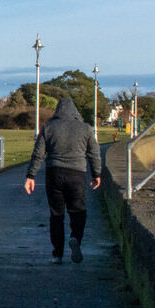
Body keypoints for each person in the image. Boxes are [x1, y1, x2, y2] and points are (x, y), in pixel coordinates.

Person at [24, 96, 102, 264]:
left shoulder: (49, 127)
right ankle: (75, 238)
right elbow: (94, 154)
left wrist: (31, 176)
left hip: (54, 173)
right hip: (77, 174)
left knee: (56, 214)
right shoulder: (86, 129)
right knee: (78, 211)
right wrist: (96, 174)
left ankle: (57, 253)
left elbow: (38, 154)